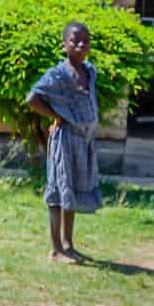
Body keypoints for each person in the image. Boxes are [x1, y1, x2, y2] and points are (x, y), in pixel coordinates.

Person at [27, 21, 103, 263]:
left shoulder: (90, 71)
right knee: (59, 191)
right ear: (64, 45)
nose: (80, 45)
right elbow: (32, 98)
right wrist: (57, 116)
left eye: (85, 41)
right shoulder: (57, 75)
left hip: (84, 141)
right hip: (65, 139)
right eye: (74, 40)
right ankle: (56, 249)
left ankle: (69, 244)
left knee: (73, 193)